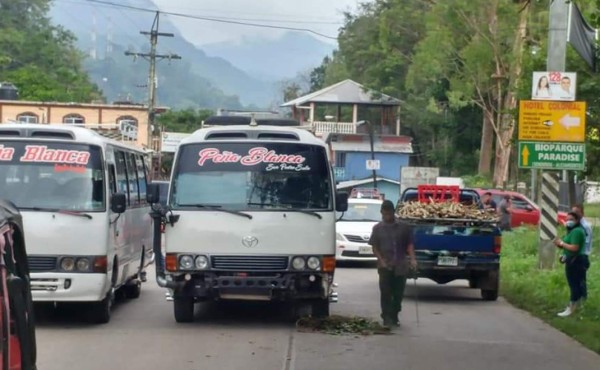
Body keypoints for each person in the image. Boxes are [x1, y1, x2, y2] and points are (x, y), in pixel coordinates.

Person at [369, 200, 417, 328]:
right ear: (381, 213)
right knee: (385, 293)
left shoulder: (404, 227)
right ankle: (386, 317)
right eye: (384, 214)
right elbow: (375, 247)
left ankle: (395, 314)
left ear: (393, 212)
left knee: (398, 293)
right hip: (384, 266)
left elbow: (409, 245)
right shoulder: (377, 228)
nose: (386, 216)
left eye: (388, 214)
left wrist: (412, 259)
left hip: (400, 265)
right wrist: (381, 260)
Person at [553, 211, 587, 317]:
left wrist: (562, 243)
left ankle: (571, 308)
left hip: (576, 261)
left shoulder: (577, 231)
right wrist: (560, 245)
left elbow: (574, 247)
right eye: (567, 219)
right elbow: (568, 246)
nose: (568, 222)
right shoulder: (571, 231)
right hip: (571, 260)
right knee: (575, 284)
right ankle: (575, 307)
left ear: (577, 220)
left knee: (574, 285)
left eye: (571, 219)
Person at [571, 204, 592, 301]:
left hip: (582, 256)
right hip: (575, 255)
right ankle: (577, 300)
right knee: (574, 280)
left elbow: (583, 243)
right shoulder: (576, 225)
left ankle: (582, 300)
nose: (574, 214)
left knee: (580, 280)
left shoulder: (585, 226)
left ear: (582, 214)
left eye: (577, 212)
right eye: (573, 212)